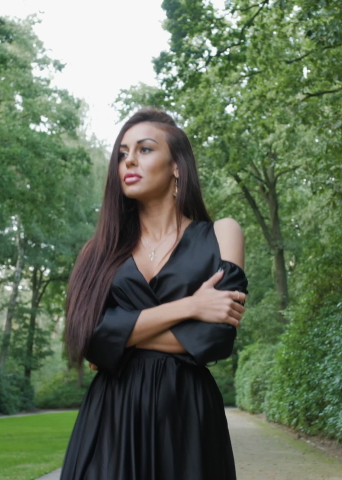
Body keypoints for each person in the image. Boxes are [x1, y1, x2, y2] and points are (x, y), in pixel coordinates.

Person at [59, 108, 247, 480]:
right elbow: (88, 338)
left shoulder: (222, 234)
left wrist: (119, 337)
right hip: (112, 417)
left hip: (188, 416)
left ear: (177, 165)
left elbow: (215, 338)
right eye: (122, 153)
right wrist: (191, 306)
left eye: (144, 149)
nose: (129, 160)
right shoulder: (98, 252)